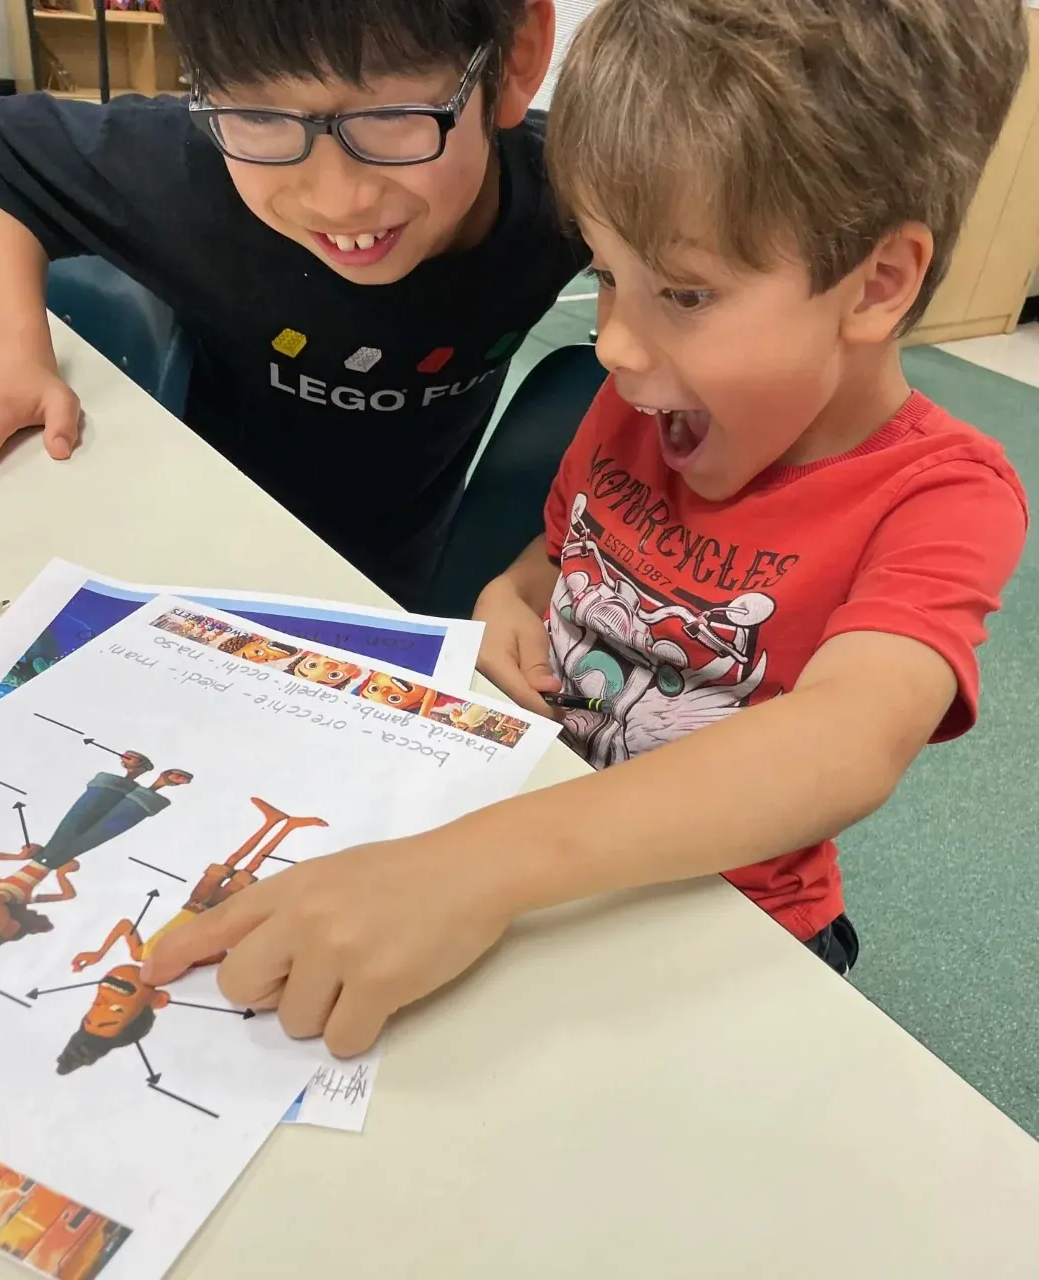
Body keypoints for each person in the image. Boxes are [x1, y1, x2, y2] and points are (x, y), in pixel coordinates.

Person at [141, 0, 1029, 1054]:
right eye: (605, 273)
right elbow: (562, 552)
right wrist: (511, 595)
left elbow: (850, 736)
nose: (611, 342)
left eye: (684, 292)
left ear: (876, 284)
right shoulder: (646, 406)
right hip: (527, 856)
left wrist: (477, 866)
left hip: (728, 928)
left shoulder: (941, 497)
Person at [0, 0, 585, 606]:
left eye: (393, 116)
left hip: (402, 571)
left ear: (515, 55)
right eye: (259, 116)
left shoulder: (573, 193)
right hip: (198, 550)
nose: (337, 200)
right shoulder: (190, 172)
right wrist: (12, 348)